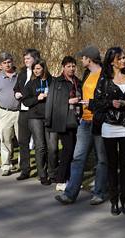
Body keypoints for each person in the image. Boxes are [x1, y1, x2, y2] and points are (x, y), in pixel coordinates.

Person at [55, 46, 108, 205]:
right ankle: (70, 194)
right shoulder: (86, 74)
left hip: (99, 121)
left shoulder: (105, 75)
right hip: (84, 122)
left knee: (102, 159)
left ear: (89, 59)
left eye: (83, 58)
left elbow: (106, 99)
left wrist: (92, 103)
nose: (81, 61)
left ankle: (99, 192)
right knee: (78, 158)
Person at [91, 47, 125, 216]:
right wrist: (111, 103)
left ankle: (124, 200)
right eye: (120, 58)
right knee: (112, 165)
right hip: (109, 126)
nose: (124, 61)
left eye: (124, 57)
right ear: (112, 62)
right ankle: (114, 201)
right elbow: (95, 103)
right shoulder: (104, 80)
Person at [46, 56, 81, 191]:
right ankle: (60, 180)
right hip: (62, 120)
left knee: (73, 151)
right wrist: (68, 101)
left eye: (73, 66)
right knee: (68, 149)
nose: (71, 69)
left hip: (76, 119)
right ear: (63, 67)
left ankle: (68, 179)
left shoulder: (78, 81)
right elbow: (52, 102)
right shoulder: (57, 82)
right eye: (68, 66)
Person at [22, 59, 52, 185]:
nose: (36, 71)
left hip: (50, 116)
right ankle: (42, 174)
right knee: (40, 146)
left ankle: (53, 172)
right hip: (35, 117)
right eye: (34, 69)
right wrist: (37, 98)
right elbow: (25, 101)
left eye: (39, 68)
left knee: (52, 146)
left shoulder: (52, 81)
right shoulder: (30, 84)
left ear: (44, 68)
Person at [0, 52, 20, 176]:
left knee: (22, 139)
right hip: (4, 112)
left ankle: (23, 165)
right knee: (5, 139)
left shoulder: (20, 75)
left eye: (9, 62)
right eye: (4, 63)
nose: (7, 64)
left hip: (20, 112)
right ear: (0, 65)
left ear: (12, 62)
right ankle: (6, 165)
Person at [15, 48, 41, 180]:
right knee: (23, 141)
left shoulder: (40, 73)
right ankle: (25, 170)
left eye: (28, 58)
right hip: (23, 111)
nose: (25, 61)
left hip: (36, 112)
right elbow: (16, 87)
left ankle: (43, 170)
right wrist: (16, 93)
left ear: (35, 59)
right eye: (24, 59)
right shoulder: (22, 73)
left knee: (39, 142)